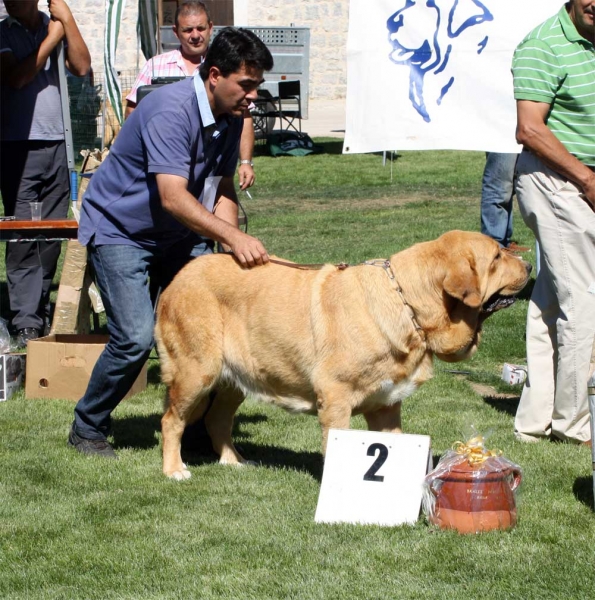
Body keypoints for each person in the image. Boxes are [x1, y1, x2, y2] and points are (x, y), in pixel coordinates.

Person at [68, 27, 274, 458]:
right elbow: (173, 196)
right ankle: (88, 426)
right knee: (135, 338)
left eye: (258, 86)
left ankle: (194, 428)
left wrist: (227, 257)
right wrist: (233, 237)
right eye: (246, 84)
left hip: (178, 234)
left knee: (213, 330)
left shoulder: (232, 119)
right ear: (214, 75)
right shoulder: (169, 109)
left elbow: (220, 189)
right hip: (119, 229)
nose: (253, 95)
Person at [512, 0, 595, 446]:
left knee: (552, 299)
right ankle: (574, 423)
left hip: (582, 179)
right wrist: (586, 179)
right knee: (582, 303)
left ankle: (535, 419)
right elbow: (529, 129)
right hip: (557, 180)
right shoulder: (543, 45)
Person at [0, 0, 91, 347]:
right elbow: (18, 77)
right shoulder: (3, 31)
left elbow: (81, 67)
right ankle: (24, 321)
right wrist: (53, 39)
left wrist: (66, 19)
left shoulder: (54, 22)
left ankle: (37, 310)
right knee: (23, 235)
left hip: (58, 143)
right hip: (17, 145)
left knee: (52, 234)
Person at [125, 1, 256, 192]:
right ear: (176, 31)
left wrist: (245, 162)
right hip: (164, 162)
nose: (195, 36)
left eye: (200, 28)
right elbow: (133, 110)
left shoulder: (227, 68)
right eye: (188, 30)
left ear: (210, 28)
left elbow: (245, 117)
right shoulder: (154, 65)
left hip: (211, 164)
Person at [480, 152, 529, 252]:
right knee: (497, 185)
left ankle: (505, 241)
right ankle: (494, 246)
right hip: (502, 137)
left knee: (507, 184)